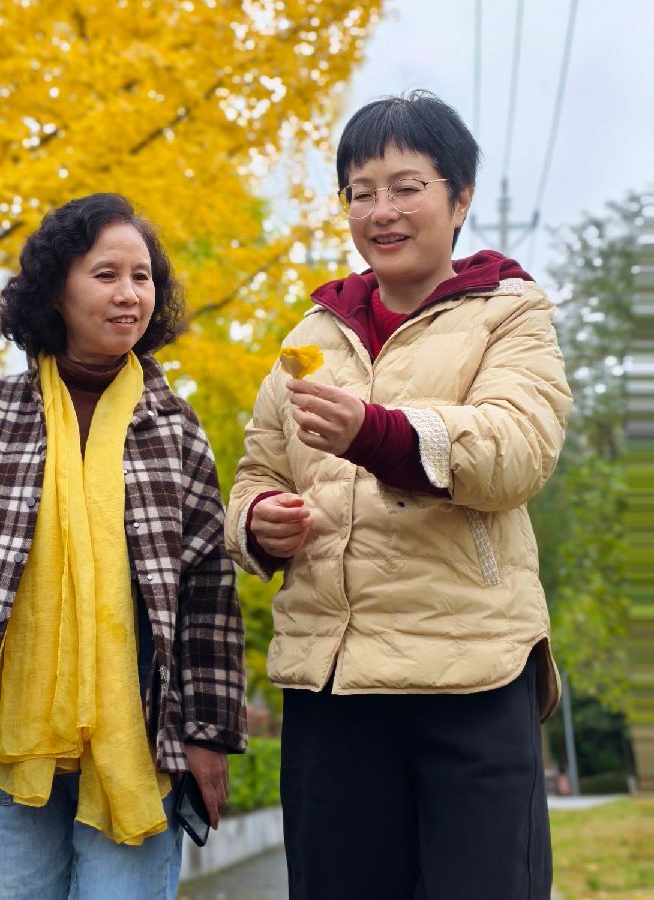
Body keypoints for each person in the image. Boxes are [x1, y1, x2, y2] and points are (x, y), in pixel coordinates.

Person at [225, 91, 572, 900]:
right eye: (361, 191)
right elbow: (257, 473)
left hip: (472, 673)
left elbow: (516, 451)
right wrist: (258, 524)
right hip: (331, 683)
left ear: (460, 198)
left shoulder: (511, 314)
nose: (381, 211)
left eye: (407, 187)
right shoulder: (309, 337)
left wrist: (376, 433)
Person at [0, 193, 247, 900]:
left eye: (142, 276)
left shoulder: (175, 427)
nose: (129, 294)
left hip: (142, 744)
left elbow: (207, 592)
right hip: (7, 746)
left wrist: (207, 732)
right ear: (55, 290)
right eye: (106, 275)